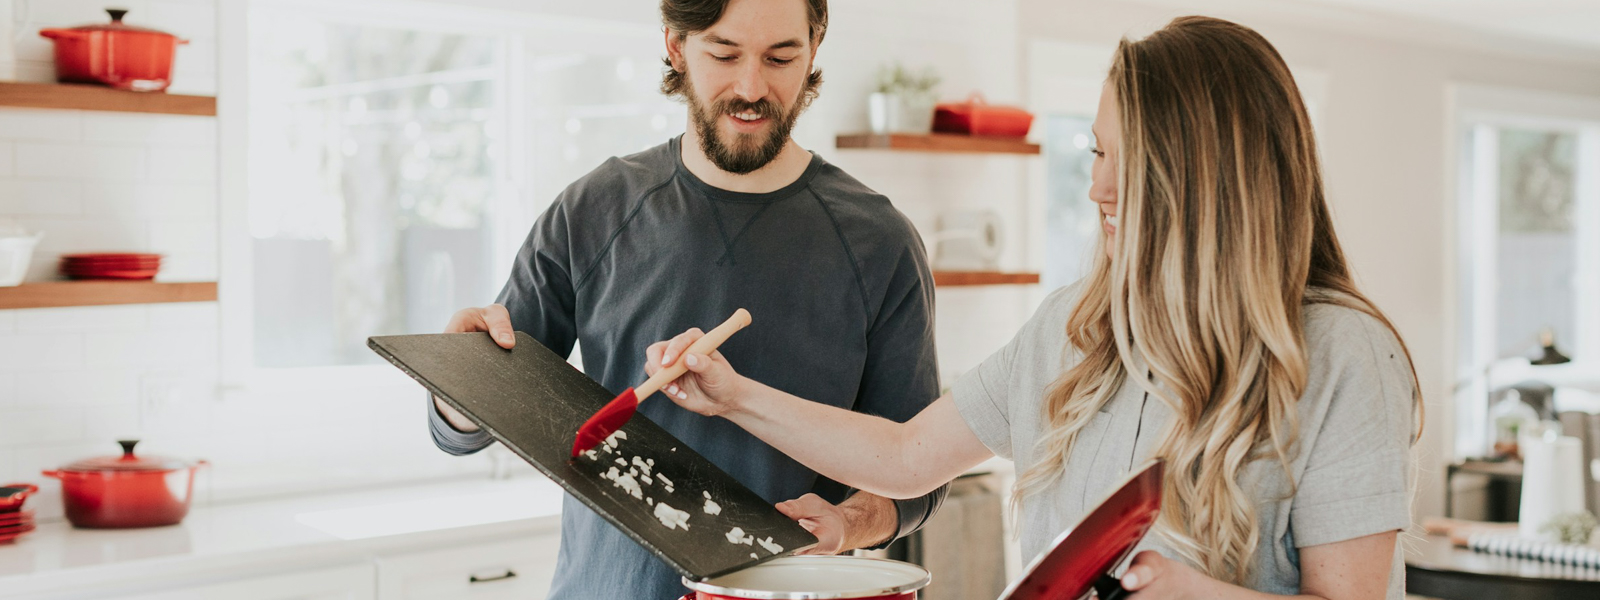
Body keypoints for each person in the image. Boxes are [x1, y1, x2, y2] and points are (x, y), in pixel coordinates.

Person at [645, 16, 1424, 600]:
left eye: (1125, 160)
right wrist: (732, 396)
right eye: (1095, 152)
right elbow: (908, 457)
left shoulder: (1341, 354)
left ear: (1206, 178)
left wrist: (1193, 593)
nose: (1097, 188)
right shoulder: (1074, 328)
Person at [425, 0, 947, 597]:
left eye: (781, 57)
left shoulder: (880, 242)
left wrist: (851, 522)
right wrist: (459, 387)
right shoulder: (592, 211)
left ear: (815, 47)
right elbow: (466, 428)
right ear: (675, 45)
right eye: (724, 54)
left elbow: (920, 473)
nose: (752, 87)